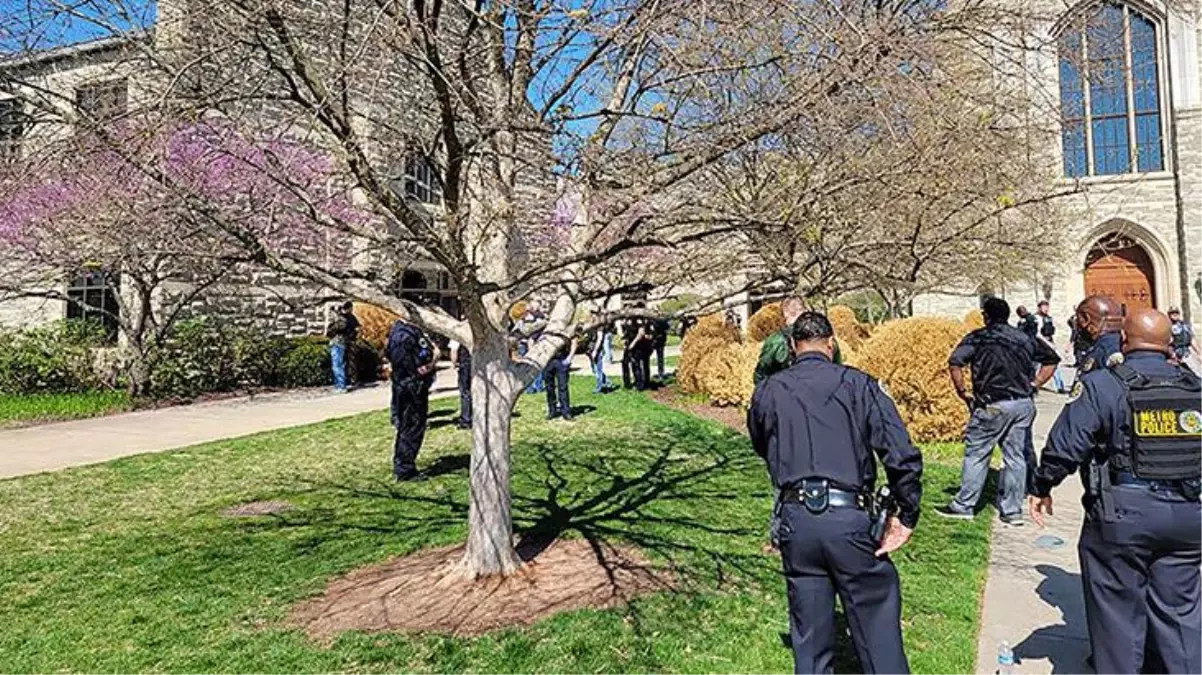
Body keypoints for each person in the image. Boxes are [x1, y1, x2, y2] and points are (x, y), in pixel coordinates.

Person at [748, 312, 923, 674]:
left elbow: (761, 441)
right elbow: (900, 452)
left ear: (794, 348)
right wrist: (906, 514)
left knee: (809, 640)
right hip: (849, 518)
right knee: (876, 628)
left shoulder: (769, 390)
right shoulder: (859, 385)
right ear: (831, 344)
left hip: (797, 520)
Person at [1029, 308, 1202, 675]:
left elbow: (1066, 444)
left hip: (1124, 515)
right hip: (1189, 517)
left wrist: (1043, 485)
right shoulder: (1195, 387)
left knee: (1118, 618)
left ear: (1124, 341)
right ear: (1171, 343)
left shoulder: (1103, 384)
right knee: (1181, 616)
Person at [939, 297, 1060, 525]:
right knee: (1016, 457)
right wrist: (1035, 383)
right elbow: (1052, 360)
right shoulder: (1024, 338)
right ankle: (1012, 511)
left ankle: (964, 505)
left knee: (977, 454)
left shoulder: (979, 337)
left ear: (986, 316)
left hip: (992, 404)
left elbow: (955, 362)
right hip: (1022, 404)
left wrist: (962, 391)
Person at [386, 318, 439, 482]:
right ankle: (404, 469)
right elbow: (409, 369)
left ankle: (405, 464)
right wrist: (434, 360)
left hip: (415, 386)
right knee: (411, 426)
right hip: (410, 389)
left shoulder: (412, 331)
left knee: (413, 426)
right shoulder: (403, 335)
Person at [1075, 295, 1124, 375]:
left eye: (1078, 319)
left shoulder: (1104, 351)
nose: (1077, 324)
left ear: (1086, 319)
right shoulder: (1122, 344)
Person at [325, 301, 360, 393]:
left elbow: (334, 329)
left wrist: (334, 320)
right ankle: (339, 385)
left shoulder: (342, 319)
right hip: (342, 342)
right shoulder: (346, 318)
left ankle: (341, 386)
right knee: (341, 364)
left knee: (337, 365)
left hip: (338, 342)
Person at [544, 329, 578, 421]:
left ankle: (566, 412)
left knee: (563, 387)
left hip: (562, 359)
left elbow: (574, 342)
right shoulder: (548, 327)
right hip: (549, 360)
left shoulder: (567, 327)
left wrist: (569, 359)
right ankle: (552, 411)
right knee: (549, 387)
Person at [450, 338, 471, 430]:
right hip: (477, 364)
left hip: (465, 363)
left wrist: (454, 364)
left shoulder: (458, 332)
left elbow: (454, 350)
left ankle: (466, 420)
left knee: (465, 392)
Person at [588, 322, 612, 393]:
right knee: (594, 369)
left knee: (598, 369)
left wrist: (595, 351)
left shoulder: (600, 326)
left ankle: (599, 387)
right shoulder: (592, 324)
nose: (592, 315)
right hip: (590, 350)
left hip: (597, 351)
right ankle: (608, 382)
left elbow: (599, 339)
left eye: (594, 313)